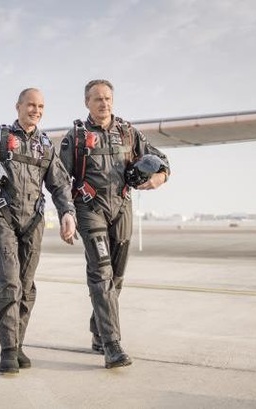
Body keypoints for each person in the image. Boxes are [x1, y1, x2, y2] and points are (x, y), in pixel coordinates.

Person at [0, 88, 77, 374]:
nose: (36, 110)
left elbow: (59, 184)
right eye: (31, 105)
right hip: (1, 214)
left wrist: (67, 214)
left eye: (41, 106)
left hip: (33, 220)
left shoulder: (46, 146)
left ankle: (18, 342)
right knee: (9, 281)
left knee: (26, 284)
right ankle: (8, 350)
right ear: (18, 106)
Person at [58, 79, 170, 369]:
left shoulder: (129, 133)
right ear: (87, 103)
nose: (104, 103)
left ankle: (98, 329)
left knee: (117, 277)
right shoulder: (76, 138)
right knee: (102, 275)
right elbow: (59, 180)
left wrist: (156, 180)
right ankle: (112, 345)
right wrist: (66, 213)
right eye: (97, 99)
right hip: (89, 208)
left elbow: (161, 160)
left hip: (122, 208)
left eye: (108, 98)